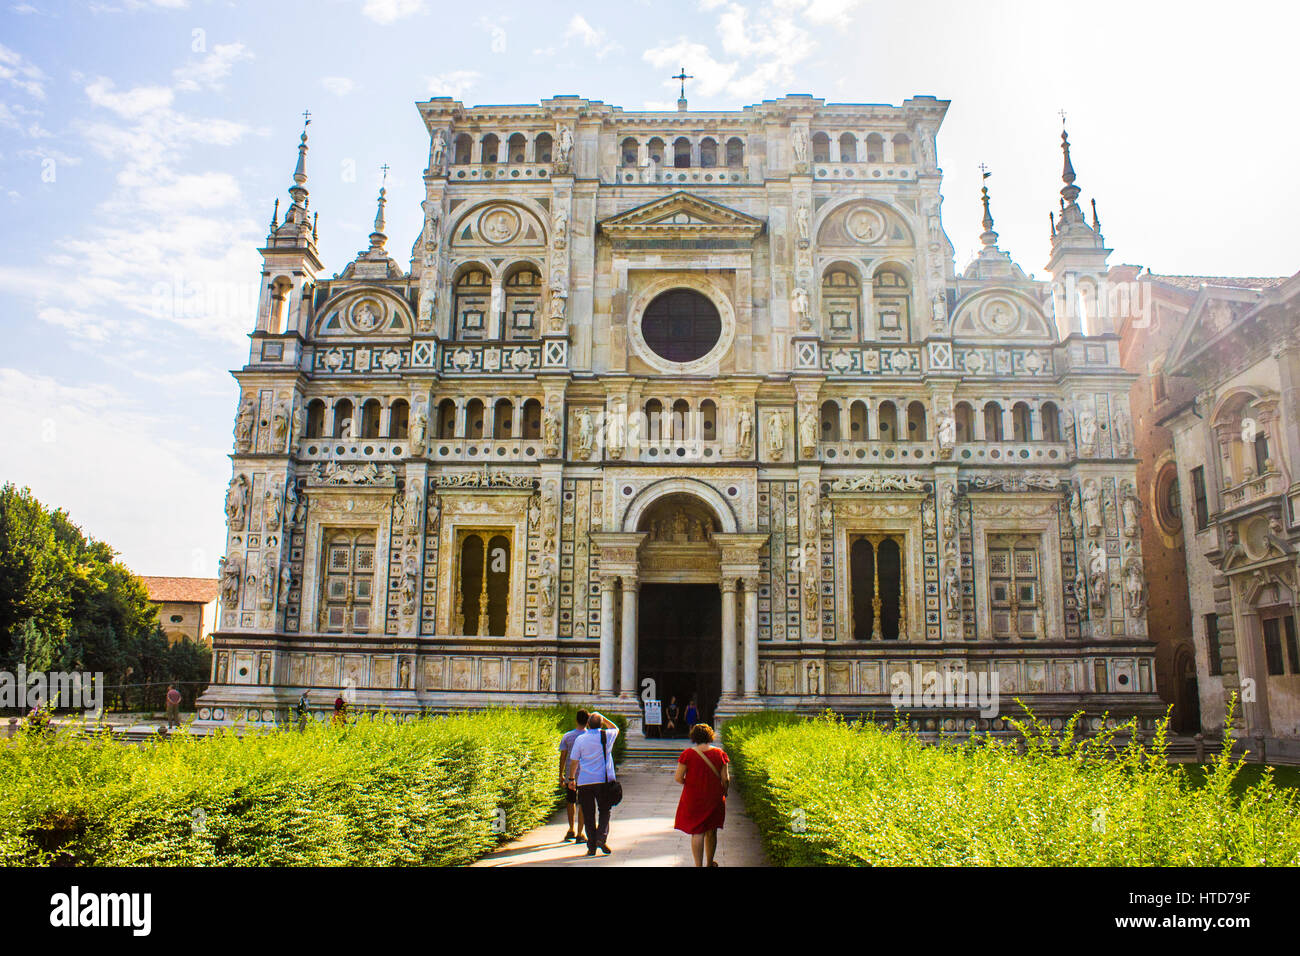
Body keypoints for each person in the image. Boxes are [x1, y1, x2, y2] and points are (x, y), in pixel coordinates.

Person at [674, 723, 730, 867]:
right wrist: (725, 791)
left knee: (697, 831)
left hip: (694, 797)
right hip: (714, 797)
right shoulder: (720, 753)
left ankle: (698, 865)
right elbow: (725, 778)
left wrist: (692, 783)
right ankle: (710, 863)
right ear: (710, 736)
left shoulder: (687, 754)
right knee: (712, 830)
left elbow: (678, 777)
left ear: (693, 737)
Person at [566, 711, 619, 856]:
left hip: (585, 781)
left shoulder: (581, 740)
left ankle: (592, 846)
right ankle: (601, 837)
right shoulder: (607, 735)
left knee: (588, 814)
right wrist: (603, 718)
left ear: (588, 724)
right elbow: (615, 728)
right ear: (600, 724)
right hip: (602, 781)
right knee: (604, 811)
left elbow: (574, 761)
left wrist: (571, 779)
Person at [558, 710, 589, 843]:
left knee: (570, 802)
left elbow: (563, 757)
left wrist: (560, 774)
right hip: (584, 775)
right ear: (587, 721)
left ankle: (571, 829)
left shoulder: (568, 736)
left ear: (576, 720)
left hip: (570, 775)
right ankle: (580, 833)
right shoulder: (590, 736)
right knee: (582, 803)